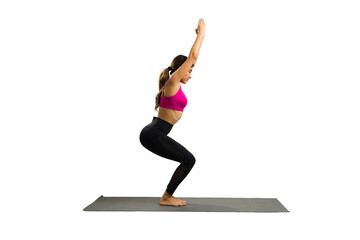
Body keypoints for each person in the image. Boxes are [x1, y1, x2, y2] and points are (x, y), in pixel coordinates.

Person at [139, 18, 206, 206]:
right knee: (189, 160)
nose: (191, 74)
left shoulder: (175, 86)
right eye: (189, 70)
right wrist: (201, 36)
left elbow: (191, 61)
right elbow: (192, 57)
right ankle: (167, 197)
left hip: (156, 131)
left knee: (188, 160)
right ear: (180, 70)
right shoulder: (173, 81)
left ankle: (167, 196)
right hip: (154, 133)